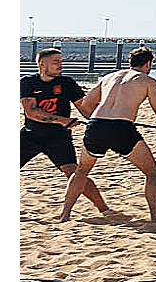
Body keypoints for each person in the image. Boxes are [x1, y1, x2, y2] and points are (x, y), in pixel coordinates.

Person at [60, 48, 156, 222]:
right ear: (148, 63)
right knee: (153, 173)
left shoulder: (108, 77)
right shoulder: (148, 81)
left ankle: (65, 215)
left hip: (96, 125)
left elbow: (86, 104)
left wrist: (99, 122)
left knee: (82, 171)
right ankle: (155, 217)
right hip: (122, 128)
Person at [21, 48, 115, 218]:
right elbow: (31, 112)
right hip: (30, 135)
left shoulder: (67, 83)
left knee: (75, 173)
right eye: (56, 62)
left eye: (61, 61)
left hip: (58, 138)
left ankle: (104, 209)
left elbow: (85, 109)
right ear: (42, 64)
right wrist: (63, 120)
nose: (60, 65)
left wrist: (106, 121)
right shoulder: (28, 82)